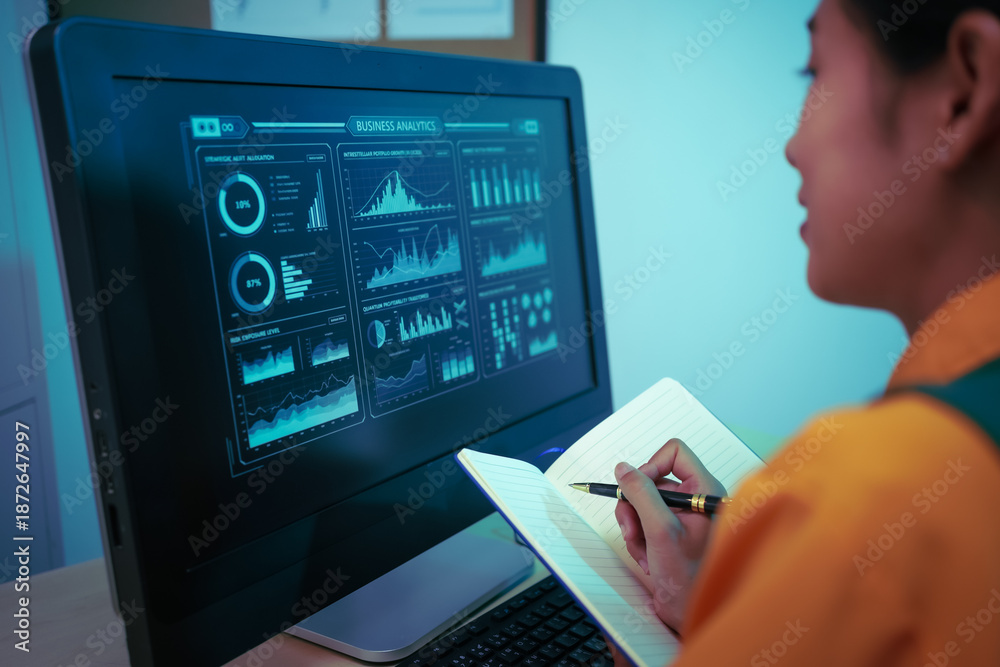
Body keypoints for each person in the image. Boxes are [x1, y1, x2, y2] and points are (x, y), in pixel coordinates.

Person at [611, 0, 1000, 664]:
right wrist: (751, 605)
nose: (792, 146)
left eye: (814, 71)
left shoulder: (865, 510)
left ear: (964, 93)